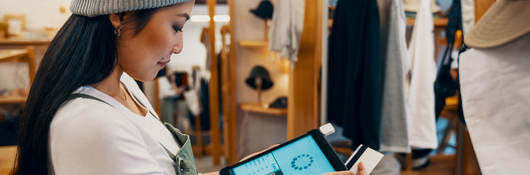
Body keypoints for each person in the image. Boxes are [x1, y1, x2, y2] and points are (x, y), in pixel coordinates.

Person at [13, 0, 364, 174]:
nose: (179, 47)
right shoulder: (91, 125)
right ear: (120, 14)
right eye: (177, 27)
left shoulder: (127, 89)